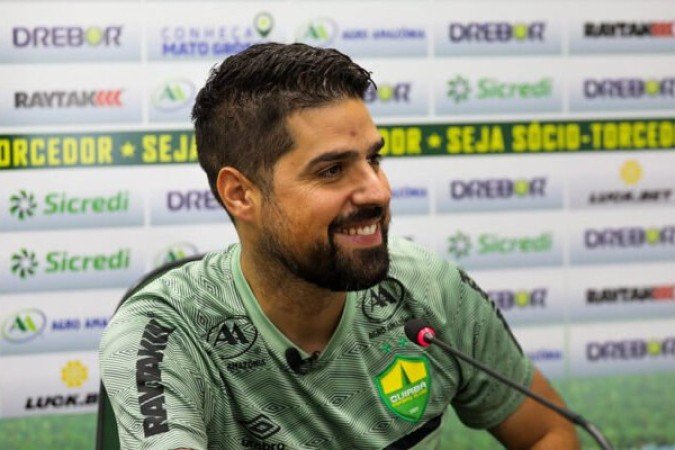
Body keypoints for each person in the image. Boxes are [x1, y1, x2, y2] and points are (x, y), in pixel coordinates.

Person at [99, 42, 580, 449]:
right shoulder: (163, 333)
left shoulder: (429, 287)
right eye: (331, 170)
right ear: (240, 194)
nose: (378, 192)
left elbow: (549, 432)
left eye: (374, 160)